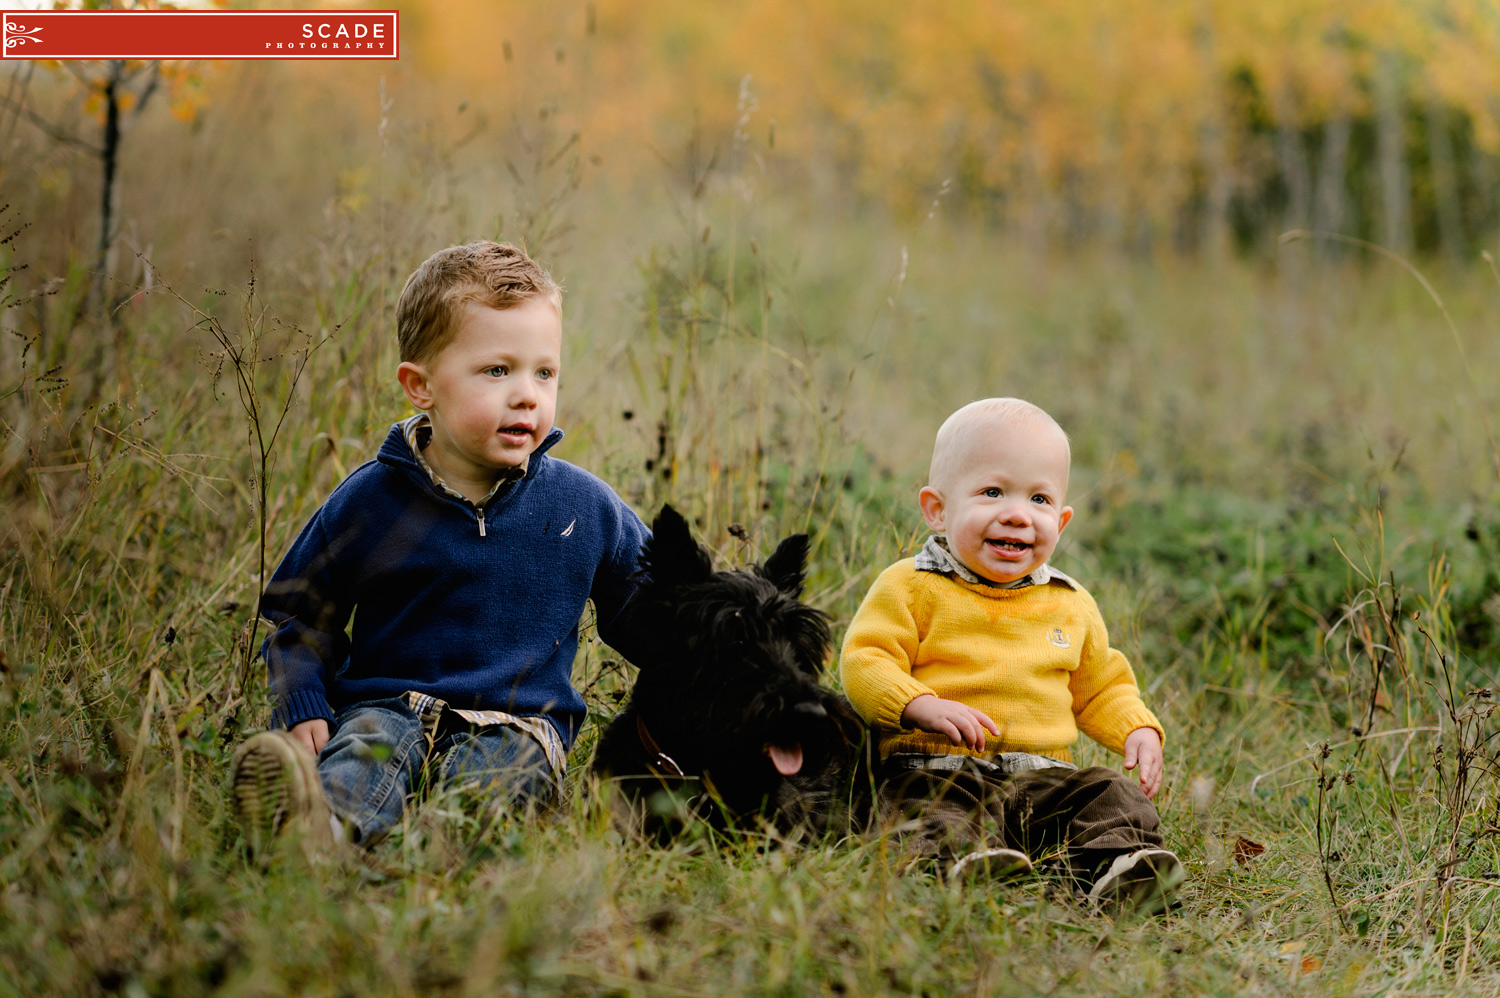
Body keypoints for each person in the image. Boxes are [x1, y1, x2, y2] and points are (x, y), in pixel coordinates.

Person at [230, 240, 649, 852]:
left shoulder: (582, 507)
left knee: (493, 785)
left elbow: (657, 607)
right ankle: (316, 833)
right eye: (497, 371)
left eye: (545, 372)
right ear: (420, 386)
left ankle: (440, 854)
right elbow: (301, 611)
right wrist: (303, 705)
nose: (527, 394)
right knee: (363, 757)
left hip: (519, 722)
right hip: (385, 703)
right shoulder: (372, 501)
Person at [839, 397, 1184, 913]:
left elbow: (1101, 686)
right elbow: (865, 660)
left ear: (1061, 521)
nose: (1018, 515)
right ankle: (962, 866)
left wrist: (1136, 727)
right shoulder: (911, 586)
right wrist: (916, 704)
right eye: (992, 492)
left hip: (1044, 780)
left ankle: (1117, 868)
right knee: (927, 808)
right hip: (938, 766)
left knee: (1109, 792)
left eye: (1040, 500)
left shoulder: (1069, 603)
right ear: (937, 508)